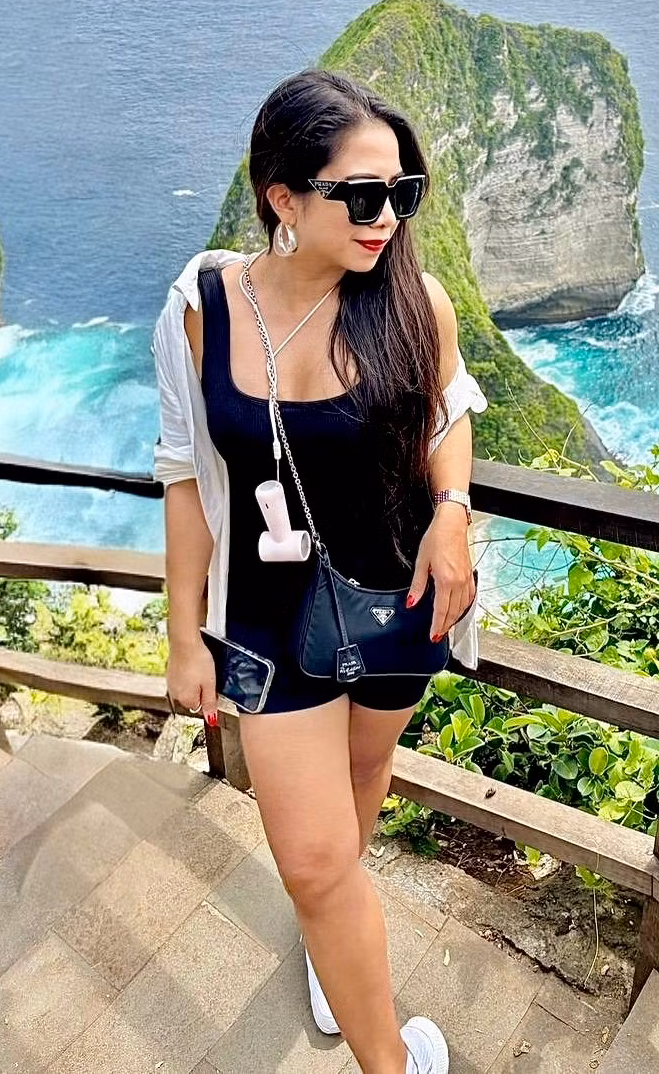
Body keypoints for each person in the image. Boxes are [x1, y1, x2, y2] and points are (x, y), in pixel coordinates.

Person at [151, 68, 489, 1074]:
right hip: (266, 619)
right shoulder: (202, 308)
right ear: (283, 198)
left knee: (359, 781)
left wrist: (453, 514)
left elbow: (451, 409)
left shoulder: (412, 304)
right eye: (362, 195)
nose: (388, 219)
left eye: (402, 193)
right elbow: (182, 473)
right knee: (308, 857)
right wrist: (182, 633)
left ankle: (333, 931)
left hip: (398, 601)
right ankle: (391, 1057)